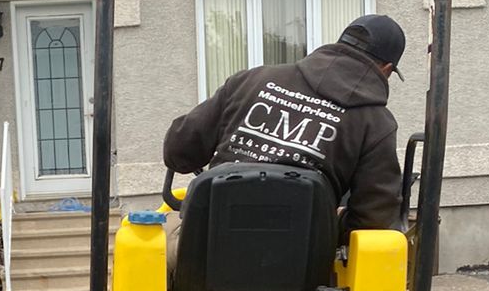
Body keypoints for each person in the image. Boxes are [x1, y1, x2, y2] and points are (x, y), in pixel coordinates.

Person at [163, 13, 406, 238]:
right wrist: (334, 223)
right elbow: (375, 218)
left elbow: (179, 149)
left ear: (339, 46)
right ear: (386, 69)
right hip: (305, 270)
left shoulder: (252, 80)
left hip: (207, 249)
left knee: (153, 238)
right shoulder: (377, 123)